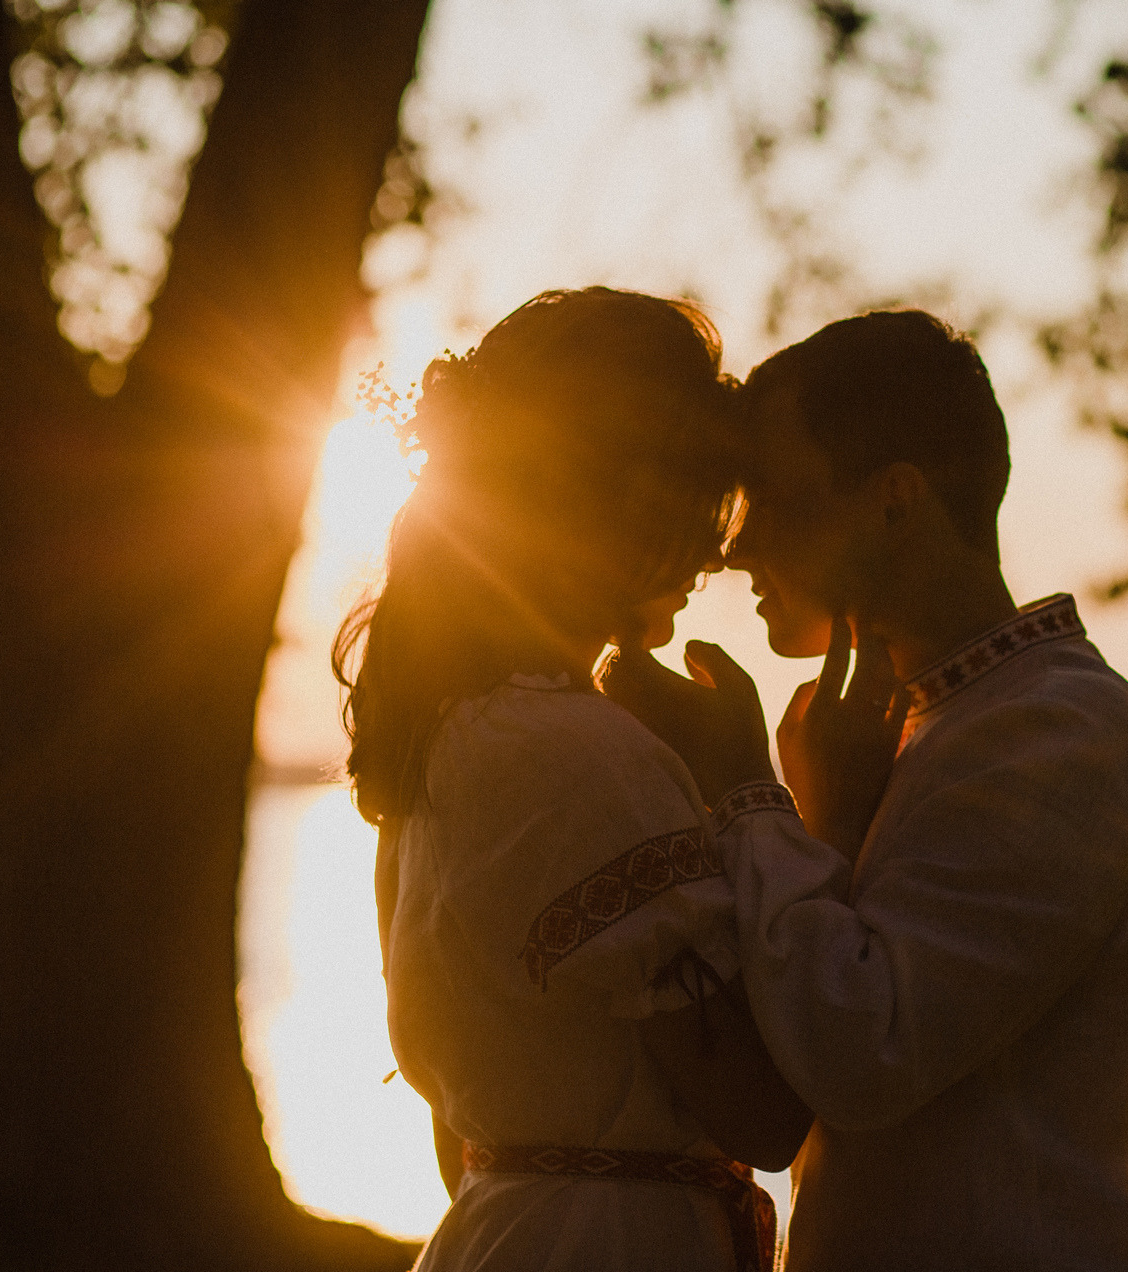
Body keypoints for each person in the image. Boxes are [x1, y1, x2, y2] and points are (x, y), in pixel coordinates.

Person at [606, 310, 1128, 1271]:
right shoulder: (921, 728)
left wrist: (745, 793)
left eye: (772, 500)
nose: (736, 549)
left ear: (895, 501)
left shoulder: (1052, 734)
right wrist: (825, 823)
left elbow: (865, 1052)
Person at [333, 288, 810, 1272]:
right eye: (699, 490)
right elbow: (764, 1116)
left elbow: (449, 1128)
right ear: (613, 496)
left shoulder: (449, 734)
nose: (719, 547)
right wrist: (747, 787)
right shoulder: (580, 757)